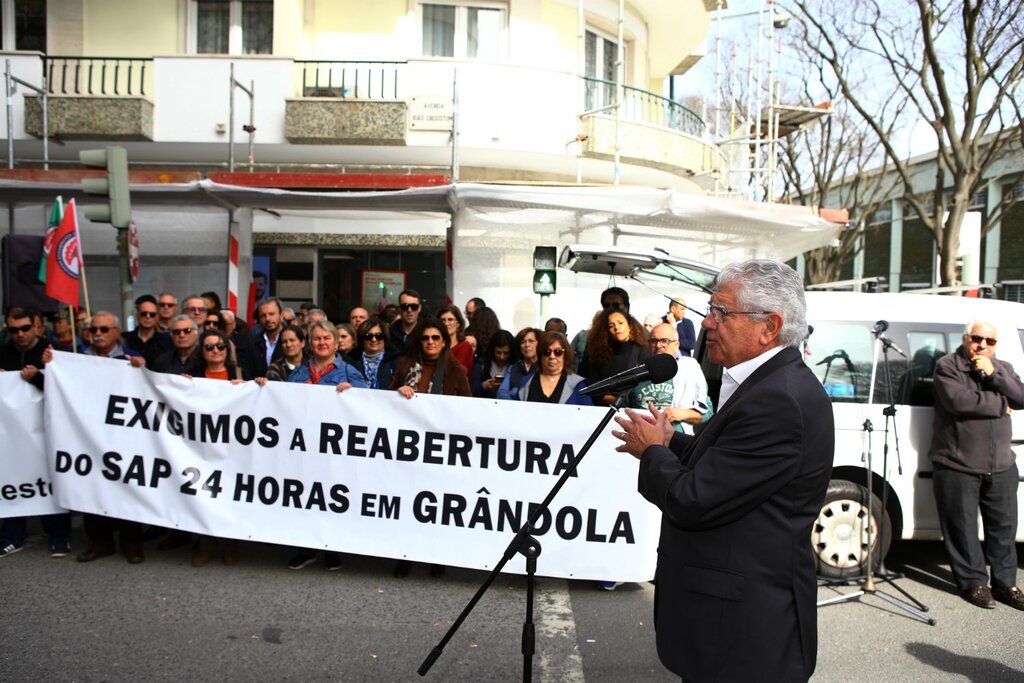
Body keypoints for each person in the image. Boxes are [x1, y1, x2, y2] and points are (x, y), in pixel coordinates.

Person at [611, 259, 834, 682]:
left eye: (720, 311)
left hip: (744, 633)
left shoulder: (779, 399)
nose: (707, 322)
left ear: (769, 326)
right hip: (730, 623)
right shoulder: (765, 384)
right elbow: (727, 462)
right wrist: (671, 440)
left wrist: (654, 452)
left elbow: (694, 500)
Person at [929, 320, 1024, 610]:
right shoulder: (947, 366)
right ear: (966, 338)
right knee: (962, 530)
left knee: (1004, 530)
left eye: (990, 341)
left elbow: (1020, 398)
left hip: (1002, 465)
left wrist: (995, 376)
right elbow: (959, 402)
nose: (983, 345)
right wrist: (1000, 405)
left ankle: (1006, 584)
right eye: (977, 338)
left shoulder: (1003, 368)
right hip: (958, 464)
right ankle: (974, 584)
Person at [392, 317, 471, 578]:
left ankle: (436, 556)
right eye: (425, 338)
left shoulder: (456, 370)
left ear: (444, 341)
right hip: (409, 448)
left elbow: (468, 407)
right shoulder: (405, 365)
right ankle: (406, 555)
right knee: (407, 502)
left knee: (437, 505)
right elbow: (383, 401)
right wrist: (398, 391)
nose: (430, 342)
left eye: (435, 338)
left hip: (441, 448)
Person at [0, 307, 71, 559]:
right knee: (14, 479)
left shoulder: (53, 352)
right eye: (13, 330)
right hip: (13, 435)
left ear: (37, 327)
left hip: (48, 432)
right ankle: (12, 536)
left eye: (25, 328)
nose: (19, 334)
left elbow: (69, 390)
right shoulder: (3, 353)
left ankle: (59, 535)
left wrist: (37, 380)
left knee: (52, 481)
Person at [186, 328, 252, 567]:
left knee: (230, 498)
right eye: (209, 347)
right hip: (201, 447)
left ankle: (231, 547)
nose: (215, 351)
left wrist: (250, 386)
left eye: (220, 346)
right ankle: (205, 546)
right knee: (204, 496)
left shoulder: (238, 373)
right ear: (202, 352)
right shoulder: (193, 376)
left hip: (232, 448)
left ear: (227, 350)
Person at [628, 322, 710, 435]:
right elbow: (623, 407)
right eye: (653, 341)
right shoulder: (637, 374)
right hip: (641, 436)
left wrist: (681, 414)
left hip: (674, 440)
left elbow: (707, 412)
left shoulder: (689, 370)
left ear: (676, 345)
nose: (658, 345)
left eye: (664, 341)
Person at [579, 309, 650, 406]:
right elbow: (592, 385)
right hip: (603, 409)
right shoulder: (599, 354)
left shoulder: (643, 351)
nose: (616, 328)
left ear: (629, 326)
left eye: (620, 323)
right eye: (611, 326)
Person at [512, 332, 592, 406]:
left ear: (565, 354)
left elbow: (588, 414)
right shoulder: (525, 382)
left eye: (558, 352)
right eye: (547, 351)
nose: (552, 356)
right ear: (540, 355)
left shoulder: (578, 385)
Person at [289, 320, 367, 390]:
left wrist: (353, 391)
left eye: (327, 338)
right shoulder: (298, 372)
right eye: (317, 338)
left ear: (336, 343)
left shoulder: (350, 373)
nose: (322, 343)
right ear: (310, 344)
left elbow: (364, 401)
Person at [346, 318, 400, 390]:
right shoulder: (350, 361)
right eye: (368, 336)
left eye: (379, 336)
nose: (374, 340)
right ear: (362, 339)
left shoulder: (397, 359)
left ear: (385, 337)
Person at [123, 294, 172, 369]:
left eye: (152, 314)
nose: (148, 316)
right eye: (144, 314)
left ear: (157, 318)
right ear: (137, 316)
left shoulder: (167, 341)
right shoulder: (124, 339)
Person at [497, 327, 542, 400]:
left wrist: (513, 392)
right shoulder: (514, 367)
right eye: (523, 342)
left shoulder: (544, 367)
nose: (527, 345)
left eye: (531, 341)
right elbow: (501, 393)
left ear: (539, 344)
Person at [471, 329, 516, 398]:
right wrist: (483, 386)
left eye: (506, 353)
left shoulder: (516, 366)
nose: (502, 357)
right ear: (492, 350)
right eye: (498, 352)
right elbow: (472, 391)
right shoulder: (481, 364)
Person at [249, 297, 285, 378]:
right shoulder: (253, 342)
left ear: (281, 315)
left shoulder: (291, 340)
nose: (268, 319)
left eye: (271, 314)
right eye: (263, 316)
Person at [438, 304, 475, 372]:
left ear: (458, 323)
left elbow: (455, 372)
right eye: (443, 320)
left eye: (450, 319)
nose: (446, 323)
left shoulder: (465, 347)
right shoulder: (435, 346)